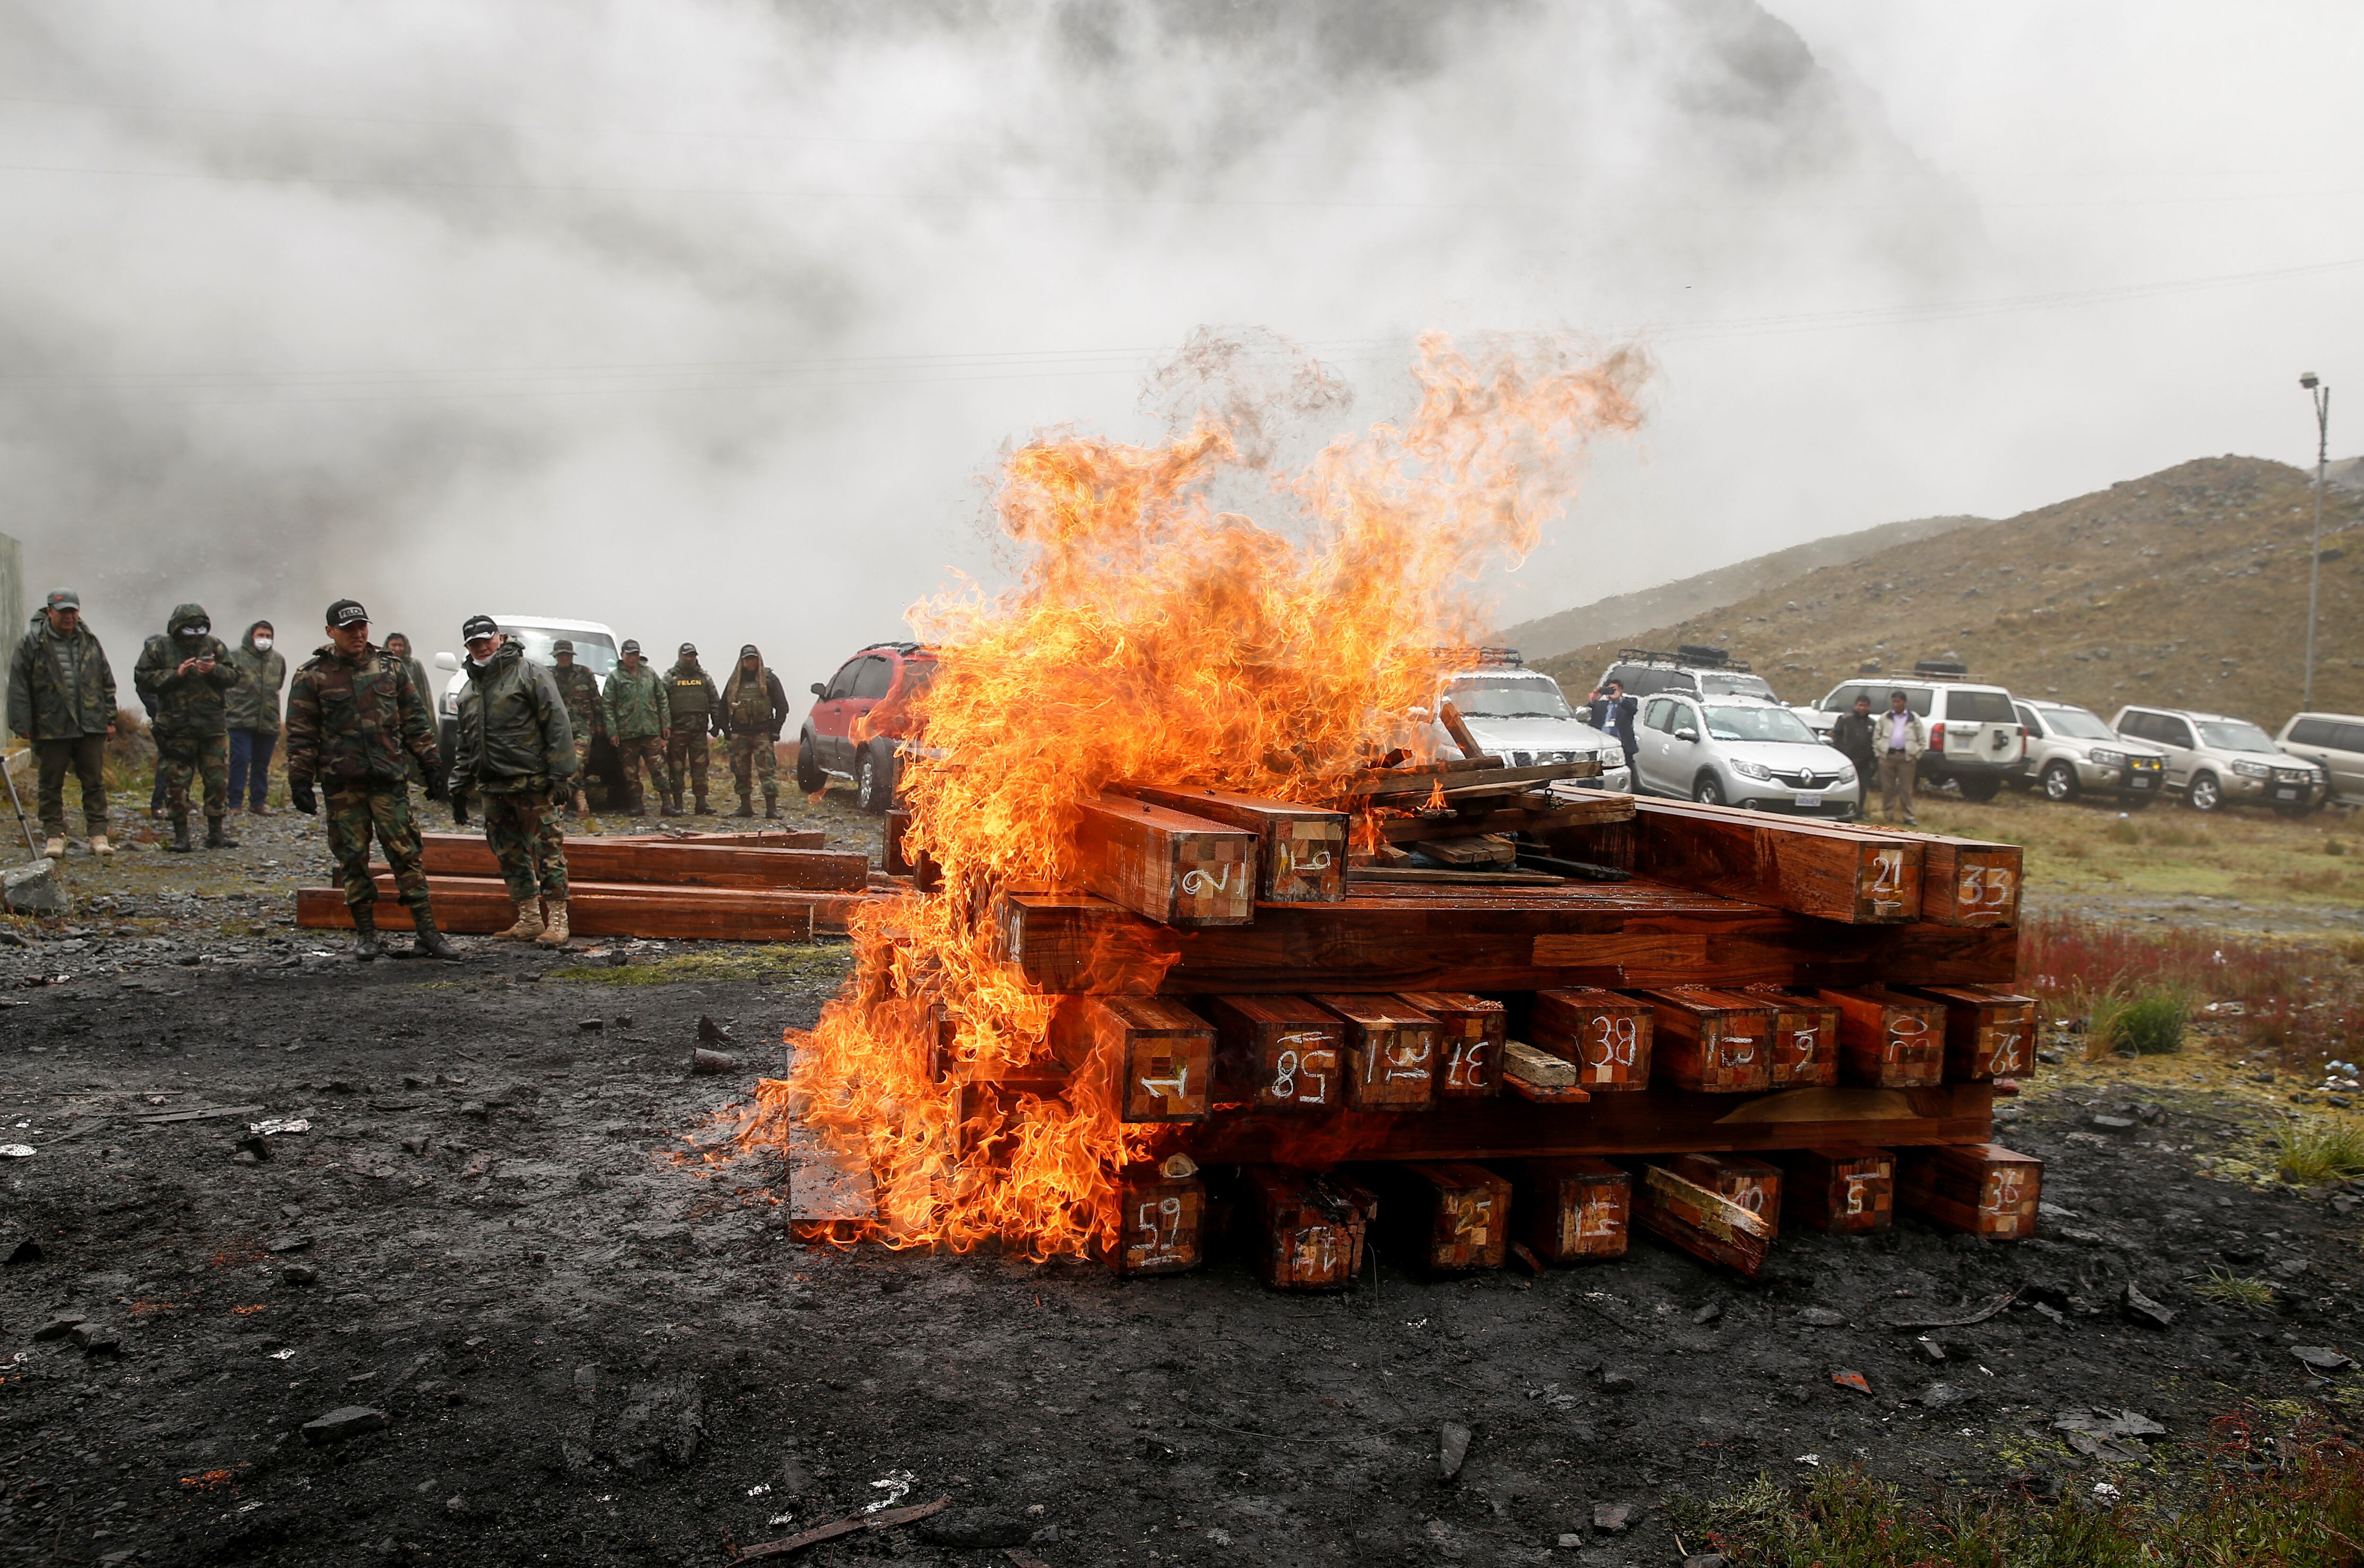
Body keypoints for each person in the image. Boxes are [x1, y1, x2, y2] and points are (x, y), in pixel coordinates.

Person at [284, 599, 457, 961]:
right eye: (349, 629)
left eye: (362, 626)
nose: (358, 634)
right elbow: (301, 733)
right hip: (342, 784)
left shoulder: (390, 669)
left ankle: (428, 932)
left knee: (406, 854)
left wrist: (431, 764)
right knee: (352, 857)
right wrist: (300, 780)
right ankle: (366, 933)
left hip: (388, 780)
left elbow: (415, 720)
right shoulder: (312, 675)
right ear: (331, 632)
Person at [448, 615, 576, 947]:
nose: (481, 647)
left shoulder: (530, 673)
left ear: (500, 638)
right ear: (467, 647)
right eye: (474, 643)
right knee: (508, 853)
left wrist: (561, 774)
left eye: (486, 640)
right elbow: (466, 743)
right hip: (493, 787)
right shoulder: (468, 689)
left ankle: (559, 921)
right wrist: (459, 787)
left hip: (533, 784)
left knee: (548, 850)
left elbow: (557, 723)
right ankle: (530, 919)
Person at [6, 589, 117, 857]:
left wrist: (110, 718)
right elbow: (19, 686)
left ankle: (98, 834)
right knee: (50, 783)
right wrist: (21, 722)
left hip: (90, 724)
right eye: (63, 611)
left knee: (94, 782)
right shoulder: (32, 644)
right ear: (49, 612)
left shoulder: (90, 641)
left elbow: (106, 681)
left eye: (73, 611)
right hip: (51, 725)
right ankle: (54, 836)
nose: (69, 617)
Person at [132, 602, 243, 853]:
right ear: (177, 627)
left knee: (217, 781)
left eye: (200, 629)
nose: (195, 635)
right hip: (175, 728)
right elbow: (143, 678)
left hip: (211, 726)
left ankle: (216, 832)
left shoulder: (214, 645)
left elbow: (235, 676)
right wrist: (175, 675)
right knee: (177, 783)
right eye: (189, 630)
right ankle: (181, 836)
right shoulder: (158, 648)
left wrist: (214, 670)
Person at [718, 643, 791, 819]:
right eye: (746, 659)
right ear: (742, 661)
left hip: (762, 733)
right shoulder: (735, 681)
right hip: (739, 733)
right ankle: (745, 807)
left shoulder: (769, 679)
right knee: (740, 771)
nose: (750, 662)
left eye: (753, 659)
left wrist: (775, 730)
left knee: (767, 771)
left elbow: (782, 707)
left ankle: (771, 808)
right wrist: (726, 729)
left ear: (758, 659)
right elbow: (723, 707)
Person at [224, 620, 287, 815]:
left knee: (262, 764)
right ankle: (235, 803)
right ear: (251, 636)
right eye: (261, 635)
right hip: (240, 719)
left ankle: (258, 803)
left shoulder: (277, 660)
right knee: (240, 760)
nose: (264, 640)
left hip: (268, 720)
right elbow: (225, 683)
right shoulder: (235, 657)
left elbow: (278, 685)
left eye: (268, 636)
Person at [601, 639, 669, 817]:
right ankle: (637, 805)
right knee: (631, 773)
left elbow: (662, 699)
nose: (633, 658)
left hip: (651, 730)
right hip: (627, 732)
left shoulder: (650, 674)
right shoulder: (615, 677)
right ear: (622, 655)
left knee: (659, 769)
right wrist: (613, 731)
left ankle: (667, 803)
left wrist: (665, 724)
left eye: (636, 654)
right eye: (629, 654)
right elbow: (608, 706)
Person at [547, 639, 606, 822]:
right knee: (561, 764)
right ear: (556, 657)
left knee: (576, 762)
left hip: (582, 728)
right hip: (557, 730)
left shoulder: (585, 673)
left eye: (567, 655)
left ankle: (561, 801)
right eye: (561, 655)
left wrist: (600, 724)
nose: (564, 658)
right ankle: (581, 801)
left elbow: (596, 700)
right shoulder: (548, 675)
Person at [661, 642, 719, 816]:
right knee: (676, 768)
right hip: (677, 732)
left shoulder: (704, 678)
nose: (689, 659)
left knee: (700, 768)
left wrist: (717, 724)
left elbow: (714, 701)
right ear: (681, 656)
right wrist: (664, 726)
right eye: (686, 656)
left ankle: (701, 803)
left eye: (692, 656)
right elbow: (661, 703)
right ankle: (678, 805)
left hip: (699, 732)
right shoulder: (670, 678)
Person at [382, 633, 437, 793]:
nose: (398, 649)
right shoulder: (381, 665)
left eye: (401, 645)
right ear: (388, 646)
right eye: (394, 645)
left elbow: (423, 691)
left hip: (411, 714)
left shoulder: (414, 665)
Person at [1877, 689, 1928, 827]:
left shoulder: (1913, 719)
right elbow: (1877, 737)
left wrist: (1916, 755)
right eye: (1894, 702)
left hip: (1907, 758)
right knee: (1888, 788)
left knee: (1906, 789)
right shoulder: (1885, 718)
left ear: (1904, 703)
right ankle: (1888, 815)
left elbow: (1921, 739)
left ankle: (1908, 816)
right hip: (1888, 757)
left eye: (1898, 702)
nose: (1896, 704)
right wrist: (1879, 753)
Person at [1828, 693, 1879, 801]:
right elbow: (1837, 737)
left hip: (1865, 763)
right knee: (1845, 787)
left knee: (1862, 787)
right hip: (1847, 760)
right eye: (1860, 705)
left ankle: (1860, 811)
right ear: (1856, 706)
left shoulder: (1872, 724)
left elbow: (1875, 742)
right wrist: (1843, 751)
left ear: (1869, 707)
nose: (1862, 708)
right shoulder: (1845, 719)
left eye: (1865, 706)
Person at [1585, 680, 1639, 770]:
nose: (1611, 692)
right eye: (1609, 690)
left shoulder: (1628, 703)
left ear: (1621, 690)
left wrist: (1619, 700)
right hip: (1602, 744)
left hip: (1623, 745)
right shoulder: (1600, 705)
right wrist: (1593, 701)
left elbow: (1632, 710)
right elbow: (1585, 714)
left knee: (1625, 771)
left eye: (1614, 689)